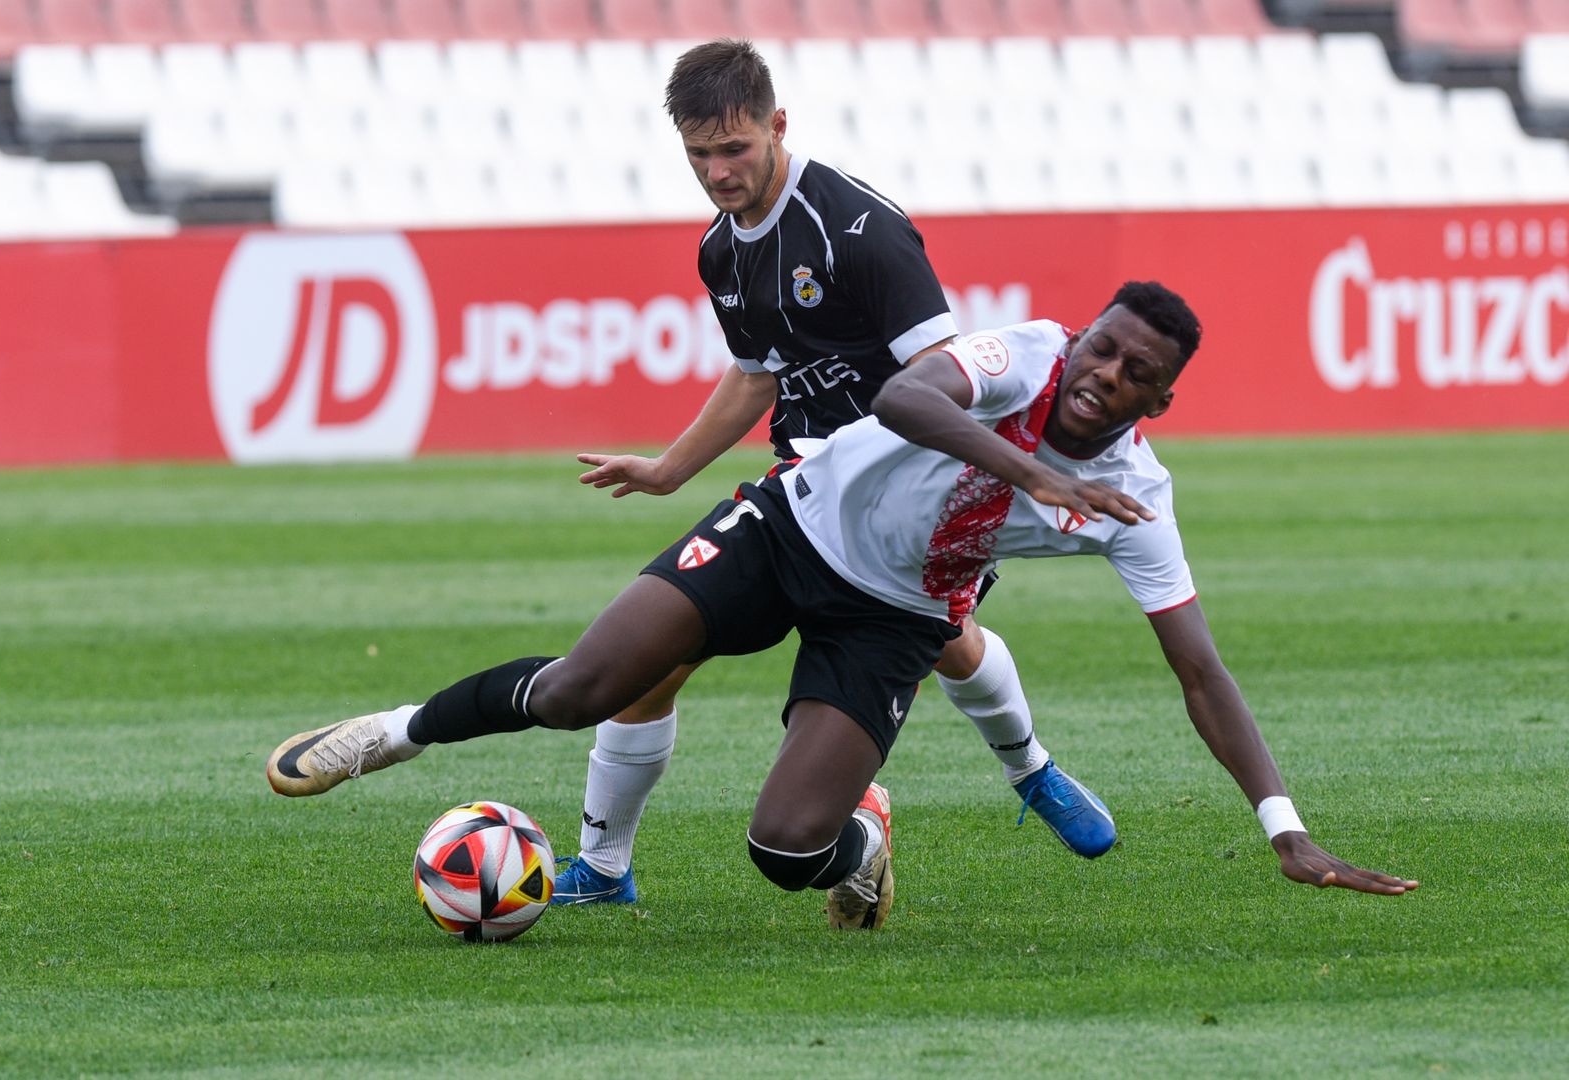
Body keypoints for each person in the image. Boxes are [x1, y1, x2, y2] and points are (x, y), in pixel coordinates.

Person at [266, 281, 1419, 933]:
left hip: (893, 621)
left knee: (782, 849)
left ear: (1161, 397)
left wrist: (1287, 832)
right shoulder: (1020, 355)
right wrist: (1030, 474)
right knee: (579, 690)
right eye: (1100, 348)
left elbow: (1200, 672)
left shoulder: (1137, 500)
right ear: (1079, 338)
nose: (1100, 375)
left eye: (1130, 374)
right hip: (786, 525)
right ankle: (391, 734)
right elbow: (905, 394)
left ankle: (859, 840)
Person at [553, 38, 1111, 906]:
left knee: (948, 645)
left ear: (778, 125)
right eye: (699, 155)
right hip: (801, 487)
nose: (717, 171)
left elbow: (946, 380)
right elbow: (756, 373)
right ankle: (604, 866)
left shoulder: (861, 230)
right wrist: (668, 469)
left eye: (733, 148)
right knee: (652, 661)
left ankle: (1030, 770)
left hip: (904, 496)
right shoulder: (721, 248)